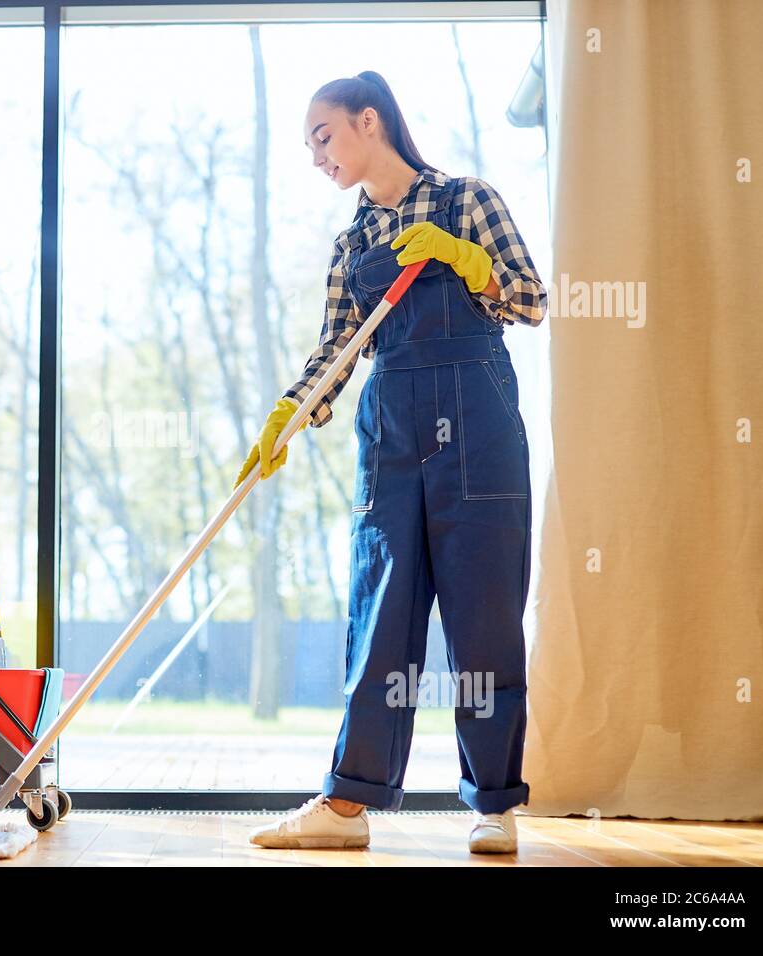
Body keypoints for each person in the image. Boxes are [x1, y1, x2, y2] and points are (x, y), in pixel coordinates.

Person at [237, 70, 547, 854]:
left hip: (478, 434)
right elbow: (338, 352)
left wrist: (467, 261)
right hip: (393, 436)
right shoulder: (353, 244)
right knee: (379, 619)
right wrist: (290, 412)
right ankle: (348, 806)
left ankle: (494, 806)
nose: (315, 156)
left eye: (322, 136)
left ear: (368, 121)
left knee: (483, 617)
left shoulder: (466, 201)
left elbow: (533, 300)